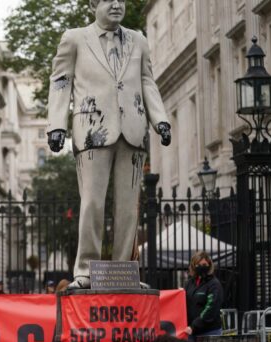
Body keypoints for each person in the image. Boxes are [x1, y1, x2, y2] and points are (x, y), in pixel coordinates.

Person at [46, 0, 171, 290]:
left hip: (133, 130)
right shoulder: (74, 38)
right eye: (108, 0)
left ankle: (125, 271)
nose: (116, 5)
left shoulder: (138, 40)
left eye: (121, 0)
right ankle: (86, 271)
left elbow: (147, 81)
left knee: (128, 208)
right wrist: (56, 125)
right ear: (93, 4)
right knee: (92, 202)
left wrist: (160, 119)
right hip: (92, 130)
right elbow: (60, 82)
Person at [184, 251, 223, 342]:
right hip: (192, 333)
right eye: (198, 264)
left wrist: (194, 325)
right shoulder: (189, 283)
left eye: (204, 264)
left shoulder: (214, 284)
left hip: (210, 331)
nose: (202, 267)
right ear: (193, 266)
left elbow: (211, 308)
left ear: (209, 265)